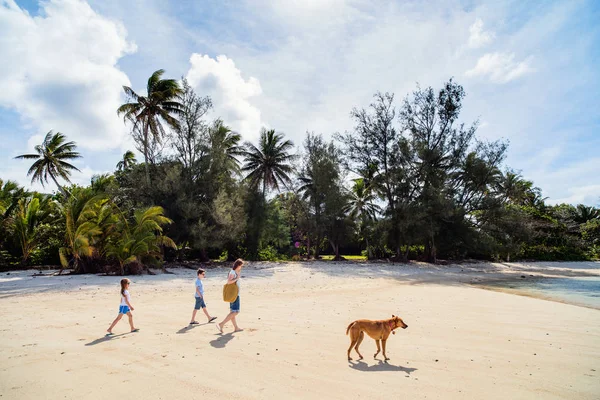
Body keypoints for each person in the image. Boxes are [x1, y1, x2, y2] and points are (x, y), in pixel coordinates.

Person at [217, 259, 244, 333]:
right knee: (236, 312)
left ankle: (236, 327)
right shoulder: (232, 272)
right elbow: (229, 282)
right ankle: (221, 324)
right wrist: (237, 278)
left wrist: (237, 275)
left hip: (235, 294)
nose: (241, 267)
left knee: (233, 312)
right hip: (234, 294)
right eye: (241, 266)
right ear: (238, 265)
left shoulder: (235, 272)